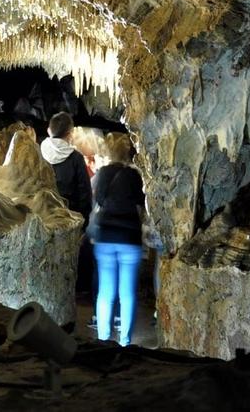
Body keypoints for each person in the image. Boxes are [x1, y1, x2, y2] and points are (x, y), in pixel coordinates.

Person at [89, 131, 145, 346]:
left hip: (105, 235)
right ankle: (125, 342)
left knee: (105, 292)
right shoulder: (133, 175)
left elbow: (99, 198)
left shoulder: (103, 173)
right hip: (129, 235)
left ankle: (103, 340)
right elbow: (141, 202)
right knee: (127, 293)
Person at [40, 112, 93, 224]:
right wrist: (84, 220)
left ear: (49, 130)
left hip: (44, 214)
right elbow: (85, 191)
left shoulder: (39, 152)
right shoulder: (76, 158)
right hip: (71, 216)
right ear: (70, 134)